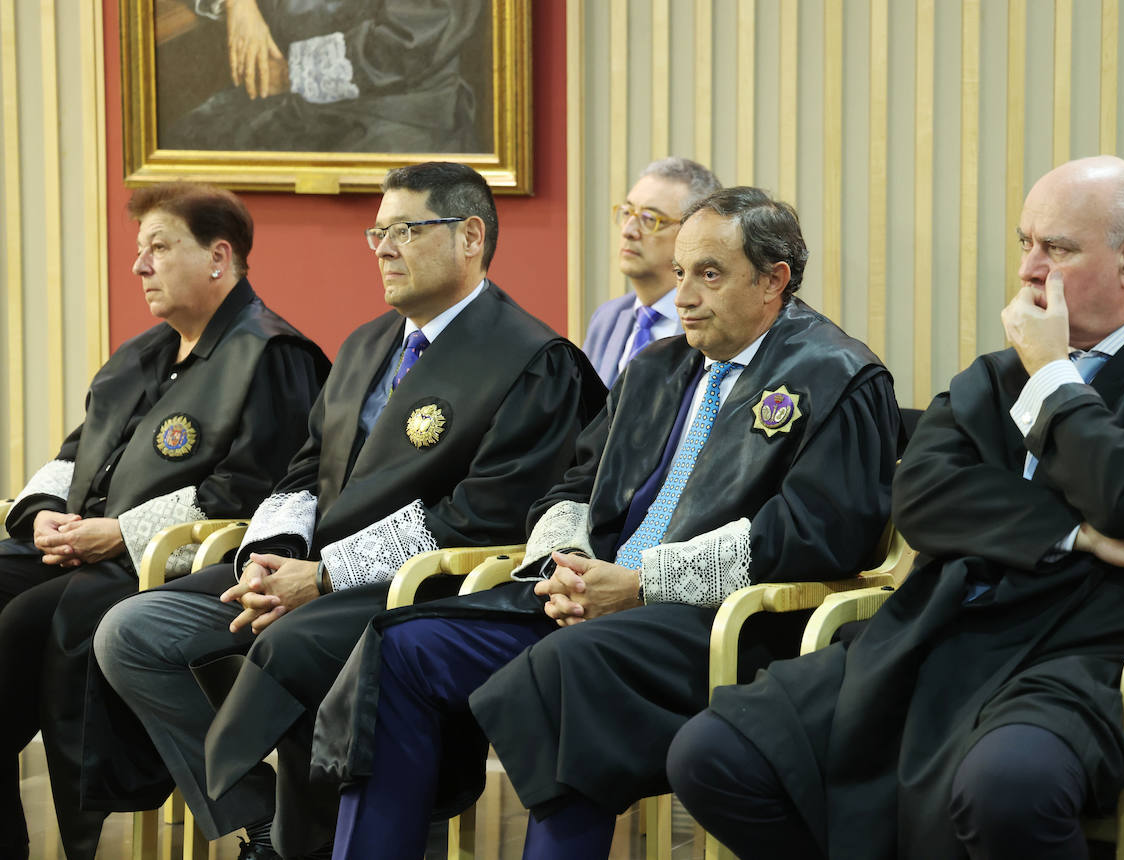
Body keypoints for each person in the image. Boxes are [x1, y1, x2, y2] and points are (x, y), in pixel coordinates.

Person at [666, 156, 1124, 860]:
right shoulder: (1002, 371)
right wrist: (1079, 533)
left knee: (1006, 787)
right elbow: (923, 497)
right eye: (1025, 244)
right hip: (948, 632)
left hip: (1104, 656)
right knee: (714, 751)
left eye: (1057, 249)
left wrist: (1054, 374)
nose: (1031, 270)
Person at [311, 187, 902, 860]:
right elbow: (569, 487)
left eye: (709, 275)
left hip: (721, 628)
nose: (682, 296)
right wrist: (567, 568)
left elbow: (819, 534)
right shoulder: (654, 370)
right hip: (591, 603)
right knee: (401, 647)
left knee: (572, 670)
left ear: (774, 280)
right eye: (680, 273)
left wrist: (640, 583)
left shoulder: (837, 376)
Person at [90, 162, 605, 860]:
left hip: (418, 587)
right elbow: (304, 468)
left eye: (404, 230)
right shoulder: (367, 344)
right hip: (308, 574)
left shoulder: (535, 361)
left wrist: (324, 577)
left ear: (470, 236)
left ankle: (339, 837)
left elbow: (484, 520)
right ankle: (261, 819)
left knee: (300, 648)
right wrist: (270, 560)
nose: (384, 248)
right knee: (132, 631)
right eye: (377, 232)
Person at [0, 183, 328, 860]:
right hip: (88, 550)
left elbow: (255, 490)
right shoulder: (139, 357)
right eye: (138, 250)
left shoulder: (272, 356)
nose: (139, 267)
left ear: (219, 256)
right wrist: (41, 516)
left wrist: (122, 533)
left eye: (159, 247)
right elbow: (73, 455)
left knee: (26, 623)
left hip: (173, 567)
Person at [165, 0, 486, 153]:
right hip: (285, 100)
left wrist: (291, 72)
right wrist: (237, 1)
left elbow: (413, 38)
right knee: (184, 143)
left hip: (393, 110)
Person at [583, 157, 720, 385]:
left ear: (695, 233)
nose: (628, 231)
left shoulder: (711, 323)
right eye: (627, 213)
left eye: (650, 219)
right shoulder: (608, 318)